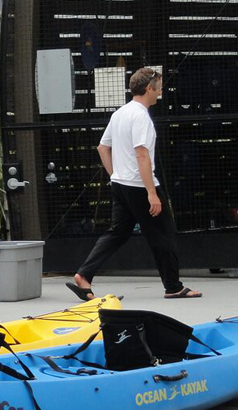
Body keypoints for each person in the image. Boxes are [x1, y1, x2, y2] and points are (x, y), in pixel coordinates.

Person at [67, 67, 201, 301]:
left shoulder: (120, 113)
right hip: (139, 186)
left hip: (120, 184)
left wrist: (115, 175)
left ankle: (84, 274)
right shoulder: (140, 116)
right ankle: (173, 286)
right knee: (163, 235)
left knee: (117, 232)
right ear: (149, 88)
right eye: (159, 88)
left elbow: (102, 147)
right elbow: (142, 155)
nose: (160, 92)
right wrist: (152, 192)